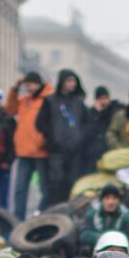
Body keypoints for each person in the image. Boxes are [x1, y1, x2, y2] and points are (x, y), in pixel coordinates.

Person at [34, 69, 89, 207]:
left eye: (74, 81)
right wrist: (52, 138)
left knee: (71, 182)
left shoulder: (78, 103)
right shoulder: (51, 101)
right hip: (57, 149)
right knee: (56, 181)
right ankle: (53, 209)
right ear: (62, 82)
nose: (72, 84)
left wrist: (80, 138)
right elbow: (40, 122)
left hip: (74, 150)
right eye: (69, 81)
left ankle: (68, 209)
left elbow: (88, 123)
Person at [6, 72, 53, 219]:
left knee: (44, 189)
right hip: (24, 152)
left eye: (30, 84)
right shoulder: (24, 101)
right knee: (20, 189)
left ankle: (42, 215)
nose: (28, 88)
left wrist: (43, 141)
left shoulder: (48, 99)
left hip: (41, 152)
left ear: (38, 84)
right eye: (26, 85)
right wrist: (15, 88)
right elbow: (10, 109)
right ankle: (17, 219)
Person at [79, 184, 129, 254]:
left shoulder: (126, 217)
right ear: (102, 200)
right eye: (107, 198)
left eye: (114, 198)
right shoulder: (92, 214)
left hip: (119, 253)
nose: (111, 202)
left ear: (119, 200)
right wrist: (104, 238)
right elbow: (84, 234)